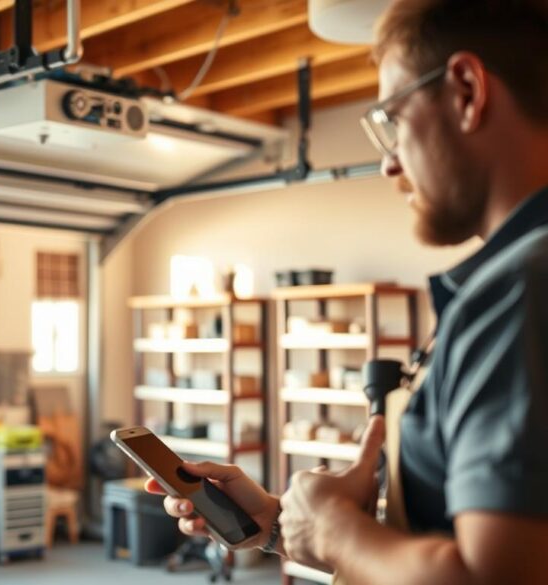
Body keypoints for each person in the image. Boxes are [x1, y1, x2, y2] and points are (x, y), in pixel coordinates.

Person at [148, 1, 548, 583]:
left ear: (466, 90)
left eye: (391, 119)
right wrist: (285, 523)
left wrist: (334, 527)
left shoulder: (518, 293)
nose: (388, 165)